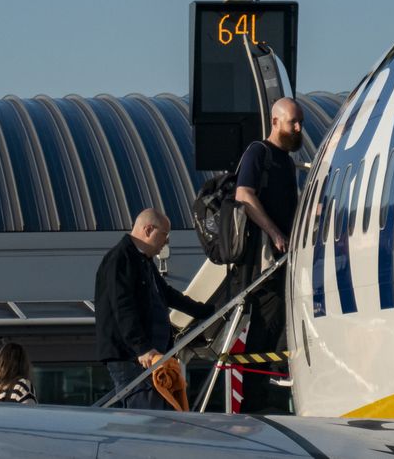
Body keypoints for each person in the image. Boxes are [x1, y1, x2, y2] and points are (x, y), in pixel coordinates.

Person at [95, 208, 214, 410]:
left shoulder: (143, 261)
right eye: (164, 235)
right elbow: (123, 307)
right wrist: (141, 347)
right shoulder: (121, 259)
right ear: (149, 229)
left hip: (152, 355)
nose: (166, 242)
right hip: (134, 357)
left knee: (161, 409)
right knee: (148, 412)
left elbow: (165, 294)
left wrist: (205, 311)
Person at [231, 97, 303, 412]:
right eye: (292, 122)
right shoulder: (258, 153)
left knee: (283, 320)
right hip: (268, 259)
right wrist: (274, 232)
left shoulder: (286, 161)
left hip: (287, 255)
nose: (298, 128)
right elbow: (243, 194)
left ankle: (273, 389)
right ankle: (256, 402)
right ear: (275, 122)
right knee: (265, 324)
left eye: (300, 122)